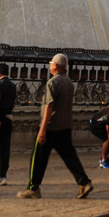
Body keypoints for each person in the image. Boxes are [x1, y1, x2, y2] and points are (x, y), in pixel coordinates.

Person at [17, 53, 92, 199]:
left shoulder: (53, 83)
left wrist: (42, 129)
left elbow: (50, 106)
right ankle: (84, 182)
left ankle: (33, 188)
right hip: (65, 126)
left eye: (51, 64)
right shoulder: (69, 83)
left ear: (55, 66)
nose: (50, 66)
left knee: (38, 157)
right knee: (70, 157)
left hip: (51, 127)